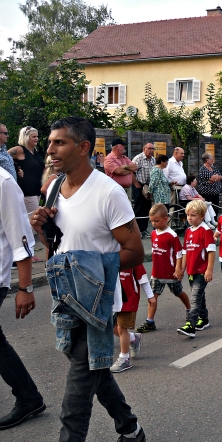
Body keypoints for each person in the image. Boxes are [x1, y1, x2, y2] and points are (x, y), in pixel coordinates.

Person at [30, 117, 146, 442]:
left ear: (83, 148)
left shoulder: (109, 193)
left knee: (78, 388)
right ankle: (131, 429)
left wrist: (87, 266)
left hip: (98, 302)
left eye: (59, 143)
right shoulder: (54, 188)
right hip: (66, 297)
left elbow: (135, 252)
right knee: (94, 368)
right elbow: (59, 246)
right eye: (49, 142)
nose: (50, 150)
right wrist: (42, 229)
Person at [0, 164, 46, 431]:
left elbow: (21, 238)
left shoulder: (4, 182)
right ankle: (29, 397)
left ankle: (28, 397)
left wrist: (25, 288)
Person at [135, 203, 191, 334]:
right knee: (152, 296)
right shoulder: (154, 234)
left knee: (179, 293)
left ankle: (190, 310)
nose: (153, 223)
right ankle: (150, 321)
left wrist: (178, 269)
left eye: (156, 221)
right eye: (152, 221)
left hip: (170, 273)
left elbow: (179, 253)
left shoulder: (172, 235)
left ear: (166, 219)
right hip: (156, 273)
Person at [177, 200, 216, 337]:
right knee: (199, 296)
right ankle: (204, 319)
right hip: (191, 270)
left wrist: (209, 269)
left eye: (193, 215)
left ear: (202, 216)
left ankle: (190, 324)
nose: (189, 218)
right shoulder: (188, 231)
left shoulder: (205, 230)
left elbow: (211, 251)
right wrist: (182, 269)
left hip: (201, 271)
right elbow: (185, 252)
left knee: (194, 297)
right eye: (188, 215)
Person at [111, 264, 155, 373]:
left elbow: (142, 277)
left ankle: (125, 358)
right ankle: (133, 338)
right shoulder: (108, 255)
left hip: (128, 299)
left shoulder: (132, 257)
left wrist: (150, 296)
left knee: (122, 328)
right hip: (112, 299)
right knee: (112, 327)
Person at [8, 126, 45, 217]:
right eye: (34, 137)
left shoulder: (34, 151)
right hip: (27, 192)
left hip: (37, 191)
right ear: (26, 137)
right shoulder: (19, 150)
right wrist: (15, 170)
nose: (36, 139)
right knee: (33, 219)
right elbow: (3, 158)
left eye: (37, 136)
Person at [131, 143, 156, 236]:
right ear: (144, 149)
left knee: (147, 207)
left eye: (153, 149)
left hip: (148, 186)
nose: (151, 150)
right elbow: (131, 172)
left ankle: (143, 229)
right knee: (138, 206)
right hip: (139, 184)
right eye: (149, 148)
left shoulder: (153, 160)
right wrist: (136, 184)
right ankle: (136, 230)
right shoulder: (138, 158)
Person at [197, 153, 222, 219]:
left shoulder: (214, 168)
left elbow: (220, 177)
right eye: (211, 159)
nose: (213, 160)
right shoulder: (203, 169)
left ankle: (215, 220)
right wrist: (214, 178)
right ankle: (208, 221)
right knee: (208, 208)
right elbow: (211, 178)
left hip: (216, 192)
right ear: (207, 160)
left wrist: (214, 178)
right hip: (207, 193)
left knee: (216, 207)